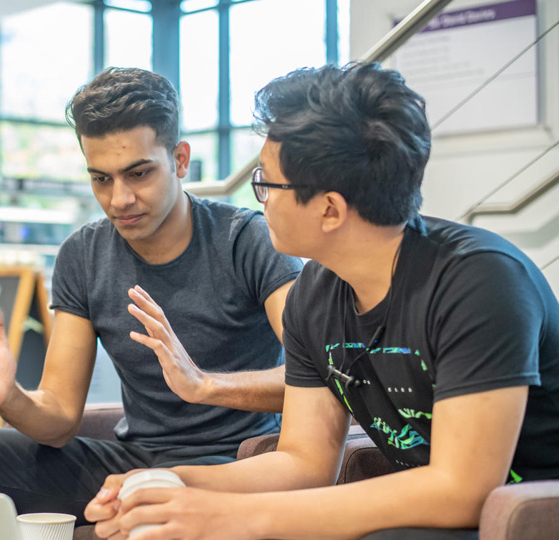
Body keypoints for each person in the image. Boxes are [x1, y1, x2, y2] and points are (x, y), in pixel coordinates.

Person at [85, 62, 559, 540]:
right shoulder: (315, 294)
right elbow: (304, 463)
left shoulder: (480, 281)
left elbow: (462, 490)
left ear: (330, 209)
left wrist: (230, 517)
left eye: (267, 184)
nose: (261, 199)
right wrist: (170, 482)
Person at [0, 67, 303, 521]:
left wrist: (204, 384)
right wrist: (7, 396)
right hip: (133, 463)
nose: (119, 199)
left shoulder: (248, 240)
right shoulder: (83, 254)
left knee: (152, 496)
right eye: (101, 179)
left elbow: (316, 376)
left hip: (234, 464)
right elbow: (58, 419)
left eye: (139, 173)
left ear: (180, 160)